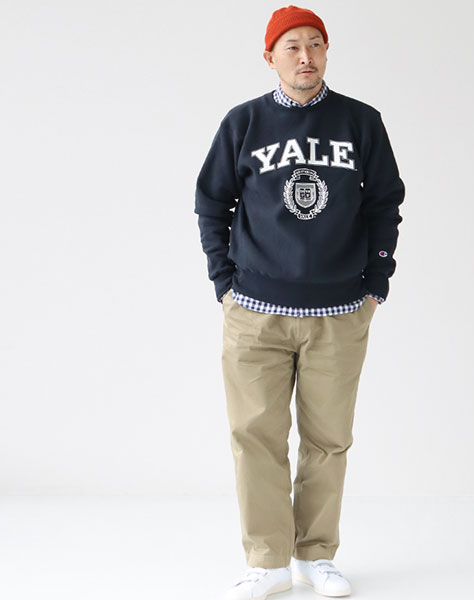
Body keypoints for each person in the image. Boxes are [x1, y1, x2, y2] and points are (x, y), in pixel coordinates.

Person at [194, 5, 405, 599]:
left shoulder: (361, 122)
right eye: (292, 47)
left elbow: (384, 202)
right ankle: (267, 561)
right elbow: (211, 202)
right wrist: (224, 281)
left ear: (327, 52)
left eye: (315, 44)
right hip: (254, 312)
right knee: (255, 436)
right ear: (270, 57)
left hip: (339, 312)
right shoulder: (244, 123)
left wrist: (376, 282)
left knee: (327, 441)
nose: (306, 56)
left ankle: (316, 556)